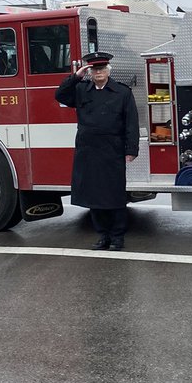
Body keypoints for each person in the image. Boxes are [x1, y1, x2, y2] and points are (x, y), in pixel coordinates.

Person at [55, 50, 139, 251]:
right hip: (88, 151)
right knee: (93, 197)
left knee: (115, 196)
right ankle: (102, 236)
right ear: (90, 71)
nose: (98, 72)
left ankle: (117, 237)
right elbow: (60, 95)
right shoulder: (82, 89)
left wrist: (131, 150)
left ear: (108, 70)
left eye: (101, 68)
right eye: (94, 69)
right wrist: (75, 76)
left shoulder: (122, 92)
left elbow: (131, 123)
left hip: (112, 151)